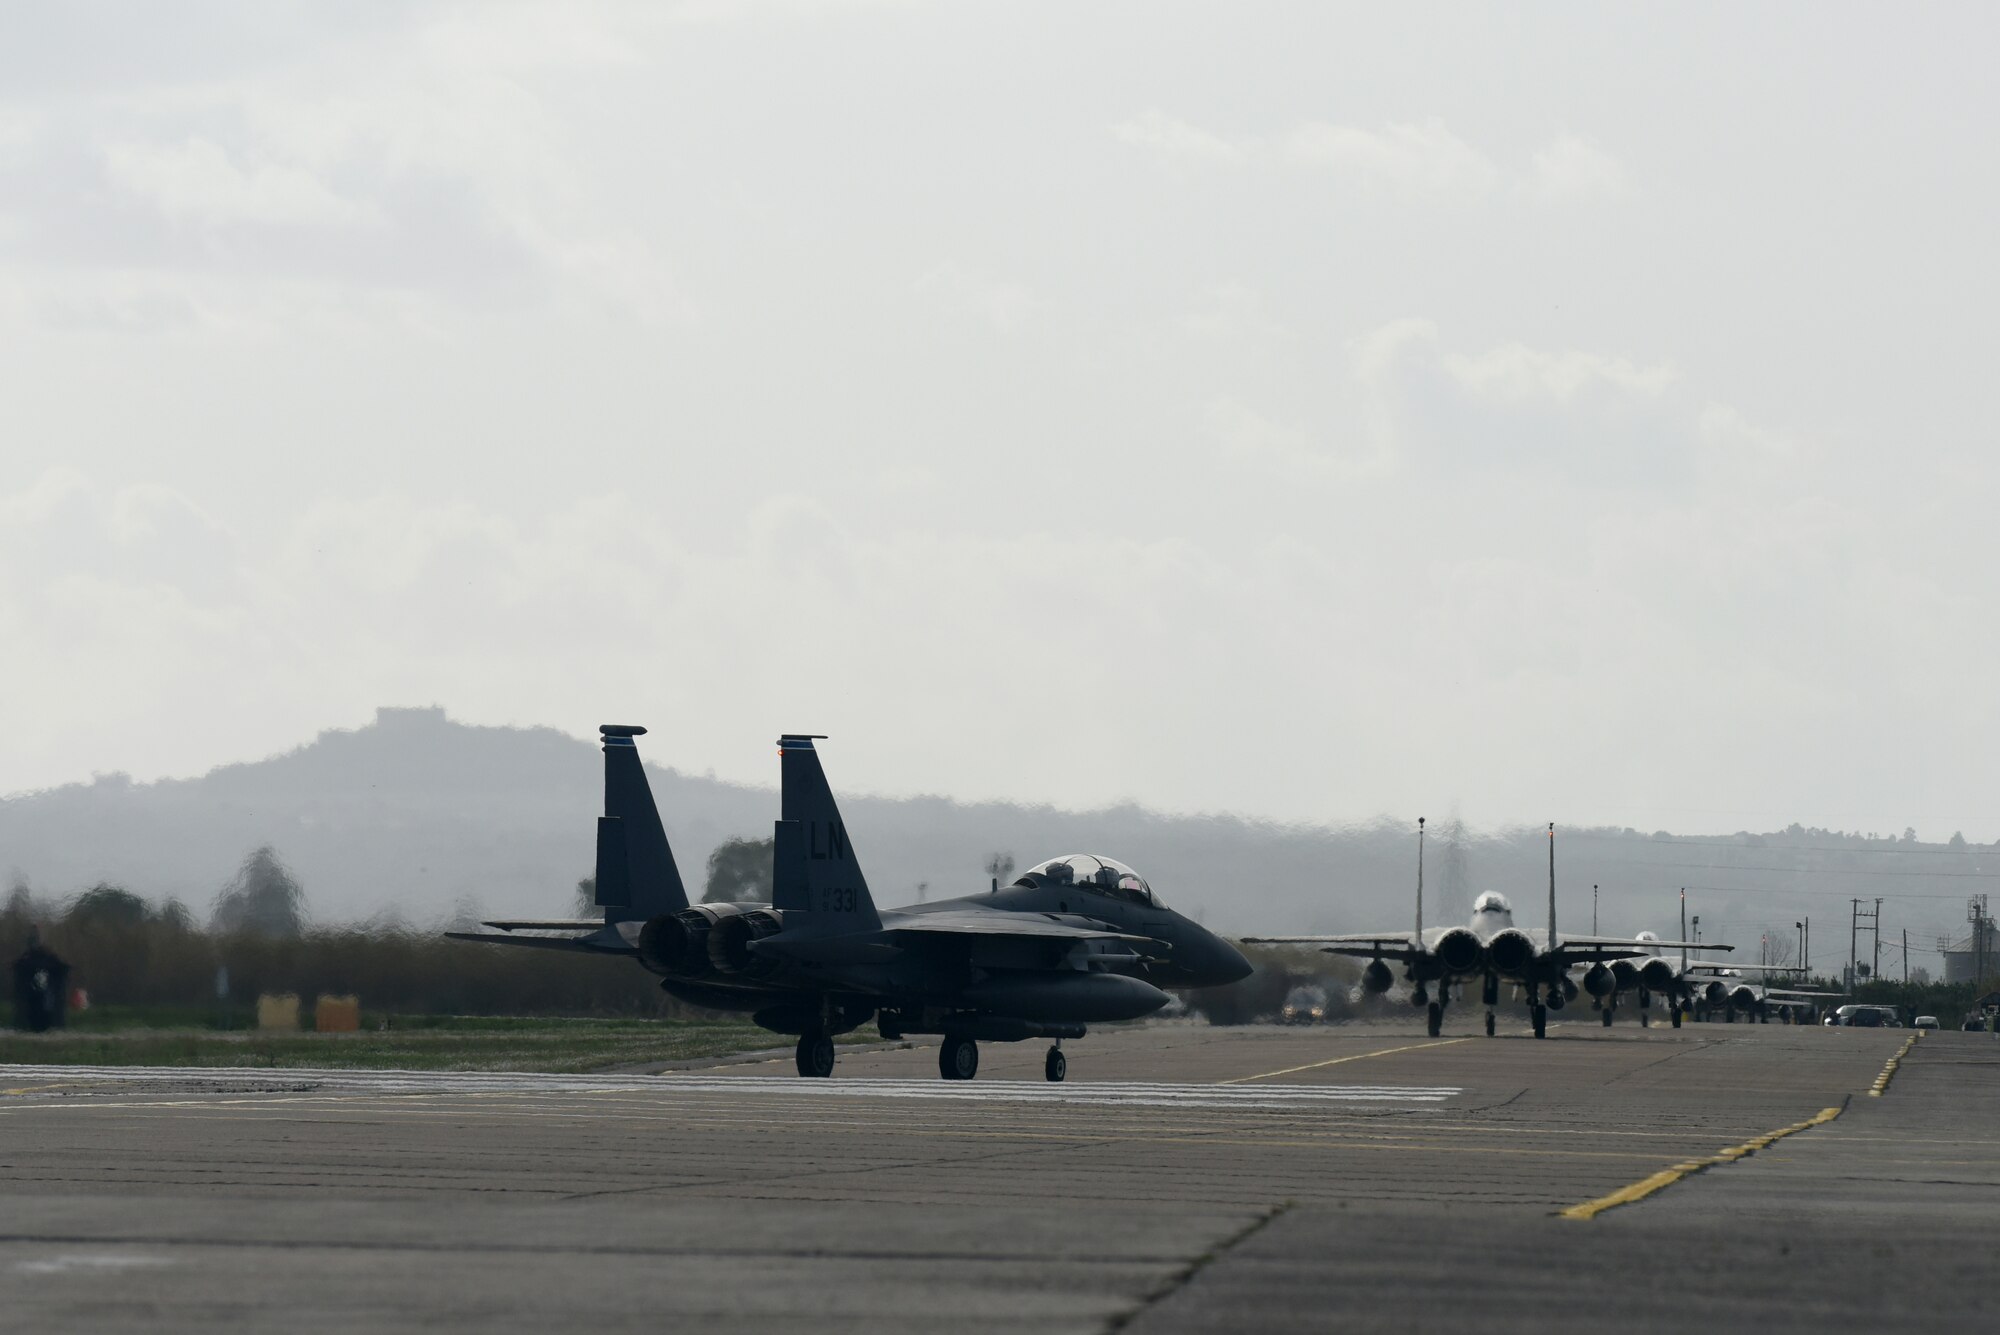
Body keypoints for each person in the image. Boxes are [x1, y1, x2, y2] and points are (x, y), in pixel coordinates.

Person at [9, 927, 70, 1033]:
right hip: (35, 996)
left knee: (44, 1005)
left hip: (42, 995)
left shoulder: (36, 958)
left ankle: (41, 1024)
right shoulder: (31, 959)